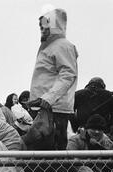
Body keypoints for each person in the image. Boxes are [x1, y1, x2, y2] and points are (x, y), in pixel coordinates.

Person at [28, 8, 78, 150]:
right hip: (45, 108)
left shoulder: (62, 45)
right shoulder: (49, 46)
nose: (42, 28)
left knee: (49, 155)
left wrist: (47, 99)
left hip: (53, 109)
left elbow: (68, 75)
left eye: (46, 24)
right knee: (41, 154)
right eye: (41, 24)